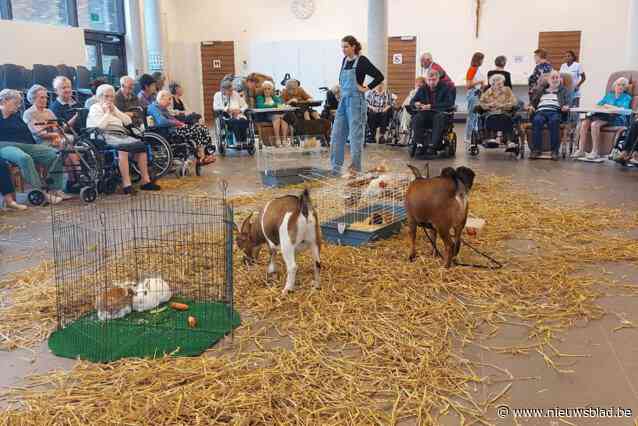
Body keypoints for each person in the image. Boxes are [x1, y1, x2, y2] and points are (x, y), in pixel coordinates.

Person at [86, 84, 160, 194]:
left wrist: (115, 112)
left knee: (141, 147)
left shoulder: (113, 107)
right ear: (99, 97)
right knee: (123, 149)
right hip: (104, 135)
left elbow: (127, 121)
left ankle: (145, 181)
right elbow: (99, 127)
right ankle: (127, 184)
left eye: (112, 96)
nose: (110, 99)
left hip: (120, 135)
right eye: (107, 96)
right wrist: (107, 113)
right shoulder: (95, 108)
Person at [0, 89, 65, 205]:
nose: (18, 106)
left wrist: (37, 150)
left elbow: (27, 134)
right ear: (4, 101)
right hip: (4, 146)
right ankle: (40, 192)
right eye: (15, 103)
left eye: (19, 103)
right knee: (24, 158)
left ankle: (55, 189)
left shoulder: (16, 116)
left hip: (26, 145)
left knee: (54, 154)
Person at [330, 35, 384, 174]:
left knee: (355, 137)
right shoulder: (344, 60)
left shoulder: (362, 60)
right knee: (337, 134)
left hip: (356, 102)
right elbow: (341, 80)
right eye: (342, 47)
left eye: (346, 46)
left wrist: (366, 88)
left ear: (354, 46)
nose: (343, 49)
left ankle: (355, 169)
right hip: (343, 101)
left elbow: (379, 76)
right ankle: (335, 169)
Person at [23, 84, 80, 194]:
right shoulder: (29, 113)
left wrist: (73, 119)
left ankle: (72, 181)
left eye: (46, 97)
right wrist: (53, 132)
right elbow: (37, 133)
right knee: (68, 149)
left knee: (68, 148)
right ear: (33, 98)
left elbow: (58, 129)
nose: (45, 100)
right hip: (39, 144)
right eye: (42, 97)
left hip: (56, 141)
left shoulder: (48, 112)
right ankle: (76, 177)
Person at [573, 77, 632, 160]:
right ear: (614, 86)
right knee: (584, 122)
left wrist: (607, 106)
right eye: (618, 85)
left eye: (623, 85)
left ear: (625, 88)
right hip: (603, 116)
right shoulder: (609, 96)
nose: (620, 87)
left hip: (617, 118)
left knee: (594, 124)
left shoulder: (627, 97)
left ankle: (595, 151)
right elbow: (598, 105)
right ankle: (581, 149)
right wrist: (604, 107)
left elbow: (622, 109)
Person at [148, 90, 214, 164]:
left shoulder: (162, 108)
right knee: (198, 130)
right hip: (168, 132)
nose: (170, 102)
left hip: (174, 129)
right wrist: (177, 123)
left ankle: (206, 154)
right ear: (162, 98)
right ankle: (201, 156)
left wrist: (180, 123)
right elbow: (162, 121)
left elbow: (171, 118)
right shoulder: (153, 108)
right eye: (169, 99)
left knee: (202, 128)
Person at [409, 69, 455, 152]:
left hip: (440, 113)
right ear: (426, 80)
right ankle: (419, 144)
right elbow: (412, 101)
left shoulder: (445, 88)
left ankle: (433, 145)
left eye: (433, 80)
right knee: (417, 118)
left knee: (438, 117)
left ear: (438, 79)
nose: (431, 82)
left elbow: (449, 103)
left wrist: (432, 106)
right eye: (429, 80)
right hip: (426, 114)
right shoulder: (423, 89)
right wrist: (416, 104)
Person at [529, 70, 571, 160]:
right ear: (548, 80)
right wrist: (532, 106)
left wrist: (566, 106)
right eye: (553, 78)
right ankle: (536, 150)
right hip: (540, 111)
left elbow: (568, 102)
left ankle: (554, 151)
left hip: (555, 111)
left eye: (557, 77)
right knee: (537, 121)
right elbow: (533, 102)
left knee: (554, 121)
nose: (555, 80)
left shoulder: (563, 90)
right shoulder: (541, 90)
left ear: (560, 79)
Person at [479, 74, 519, 150]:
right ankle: (491, 138)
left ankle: (509, 141)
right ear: (493, 84)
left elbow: (514, 102)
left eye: (502, 83)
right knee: (491, 117)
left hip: (504, 112)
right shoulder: (488, 92)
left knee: (506, 118)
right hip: (491, 113)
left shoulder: (507, 90)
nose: (501, 85)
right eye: (499, 84)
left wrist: (503, 105)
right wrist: (489, 105)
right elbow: (481, 103)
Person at [213, 78, 249, 143]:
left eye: (232, 90)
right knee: (235, 121)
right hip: (225, 117)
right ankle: (239, 141)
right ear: (223, 90)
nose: (231, 92)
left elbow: (245, 105)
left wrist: (240, 110)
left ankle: (244, 141)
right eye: (229, 90)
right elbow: (215, 107)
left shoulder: (235, 94)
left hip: (238, 115)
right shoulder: (217, 95)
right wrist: (227, 109)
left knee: (243, 121)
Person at [255, 81, 290, 146]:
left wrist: (276, 105)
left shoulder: (275, 97)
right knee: (276, 117)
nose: (267, 91)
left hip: (277, 114)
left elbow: (281, 104)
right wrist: (274, 105)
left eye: (269, 89)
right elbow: (261, 106)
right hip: (265, 115)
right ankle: (277, 139)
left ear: (271, 90)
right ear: (263, 90)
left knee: (284, 118)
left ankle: (284, 139)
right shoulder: (260, 97)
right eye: (265, 89)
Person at [465, 52, 486, 144]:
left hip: (477, 94)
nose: (482, 61)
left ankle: (474, 135)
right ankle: (468, 136)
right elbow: (468, 85)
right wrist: (480, 82)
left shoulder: (477, 69)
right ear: (478, 60)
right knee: (472, 116)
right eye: (482, 60)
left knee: (476, 116)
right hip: (473, 94)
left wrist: (482, 87)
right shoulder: (472, 69)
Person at [400, 77, 426, 142]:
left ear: (423, 84)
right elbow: (408, 100)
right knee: (405, 111)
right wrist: (402, 105)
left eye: (419, 83)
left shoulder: (425, 91)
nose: (417, 84)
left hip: (421, 110)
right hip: (412, 109)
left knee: (407, 112)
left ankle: (408, 134)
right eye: (417, 83)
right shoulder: (413, 91)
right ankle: (404, 131)